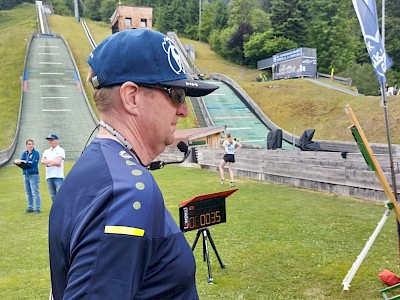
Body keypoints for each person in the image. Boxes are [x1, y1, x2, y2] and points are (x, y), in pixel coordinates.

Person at [48, 29, 218, 300]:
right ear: (132, 97)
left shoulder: (95, 163)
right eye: (176, 94)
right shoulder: (128, 192)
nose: (184, 110)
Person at [14, 139, 42, 213]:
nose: (31, 145)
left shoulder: (36, 153)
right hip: (26, 175)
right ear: (26, 145)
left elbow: (33, 164)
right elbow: (22, 162)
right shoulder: (25, 153)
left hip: (34, 175)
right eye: (29, 144)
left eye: (32, 144)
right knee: (28, 192)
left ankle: (38, 208)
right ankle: (30, 207)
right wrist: (18, 162)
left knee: (35, 192)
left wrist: (24, 162)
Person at [41, 134, 65, 202]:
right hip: (49, 176)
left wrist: (48, 164)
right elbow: (42, 161)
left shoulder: (61, 150)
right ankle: (56, 210)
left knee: (61, 194)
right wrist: (53, 161)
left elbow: (58, 162)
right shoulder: (46, 151)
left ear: (56, 141)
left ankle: (63, 209)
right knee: (53, 195)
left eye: (52, 140)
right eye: (49, 140)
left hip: (58, 175)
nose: (50, 141)